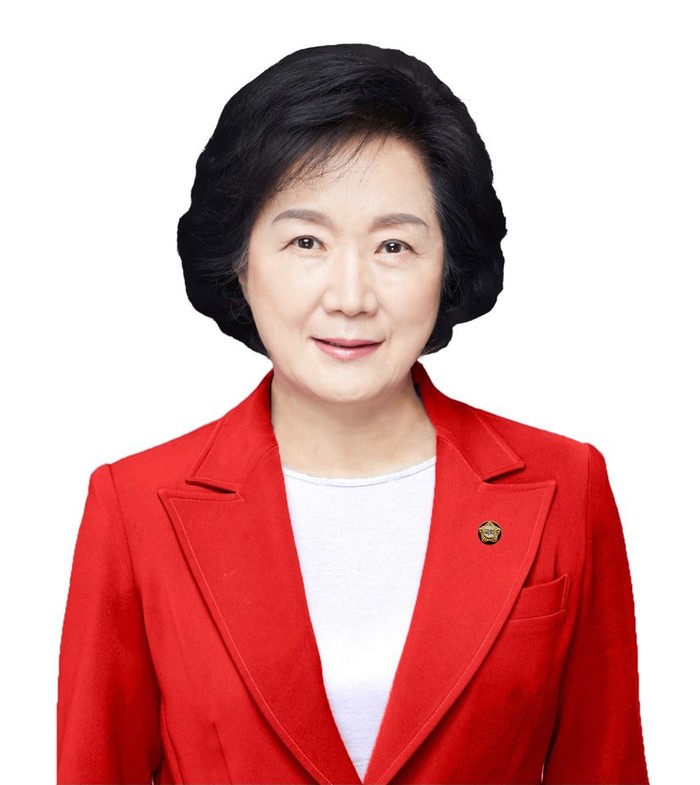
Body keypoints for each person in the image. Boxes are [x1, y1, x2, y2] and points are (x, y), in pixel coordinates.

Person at [57, 43, 648, 784]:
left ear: (448, 263)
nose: (350, 296)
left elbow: (606, 765)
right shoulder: (135, 505)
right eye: (306, 241)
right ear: (241, 260)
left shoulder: (566, 486)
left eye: (394, 245)